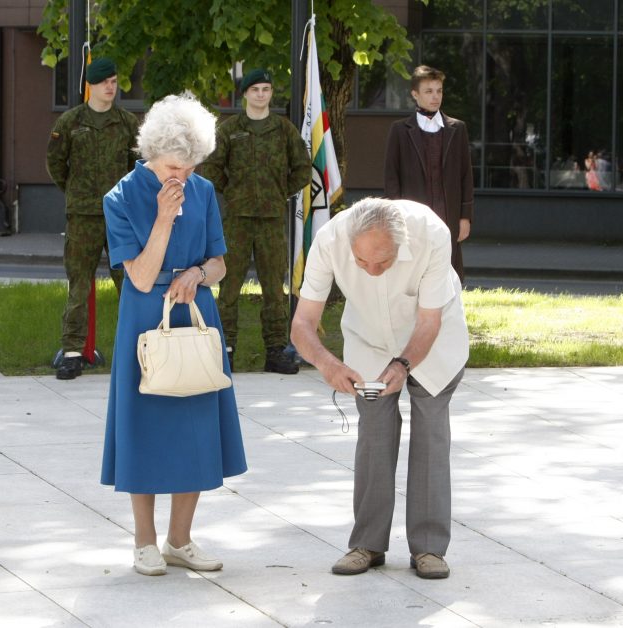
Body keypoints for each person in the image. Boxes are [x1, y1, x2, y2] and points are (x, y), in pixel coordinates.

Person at [100, 93, 247, 576]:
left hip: (196, 312)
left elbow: (220, 262)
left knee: (197, 426)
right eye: (170, 167)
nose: (178, 177)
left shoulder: (202, 190)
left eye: (187, 167)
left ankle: (180, 540)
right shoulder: (120, 197)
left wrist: (200, 275)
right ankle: (144, 542)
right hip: (145, 315)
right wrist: (163, 217)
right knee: (144, 424)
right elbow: (140, 277)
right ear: (150, 153)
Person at [290, 197, 469, 580]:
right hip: (369, 339)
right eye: (361, 263)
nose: (371, 271)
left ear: (400, 245)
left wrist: (403, 364)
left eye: (383, 263)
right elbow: (303, 322)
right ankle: (367, 544)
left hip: (432, 338)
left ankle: (429, 549)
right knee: (373, 435)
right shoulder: (329, 239)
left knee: (431, 436)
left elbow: (429, 320)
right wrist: (328, 363)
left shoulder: (431, 233)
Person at [200, 68, 310, 373]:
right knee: (229, 286)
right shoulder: (229, 129)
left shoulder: (284, 129)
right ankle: (226, 348)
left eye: (266, 89)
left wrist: (278, 192)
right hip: (236, 218)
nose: (261, 94)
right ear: (245, 94)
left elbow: (302, 168)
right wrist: (234, 192)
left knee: (274, 287)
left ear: (271, 93)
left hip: (272, 218)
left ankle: (276, 350)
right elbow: (211, 167)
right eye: (255, 89)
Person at [46, 57, 139, 380]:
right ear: (91, 86)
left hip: (119, 215)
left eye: (114, 82)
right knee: (79, 284)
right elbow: (56, 164)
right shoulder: (70, 122)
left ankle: (138, 350)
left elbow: (136, 167)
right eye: (104, 83)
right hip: (83, 214)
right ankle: (73, 352)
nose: (110, 87)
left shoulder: (127, 123)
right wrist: (76, 191)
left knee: (129, 283)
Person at [384, 65, 474, 282]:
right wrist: (395, 216)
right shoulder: (399, 130)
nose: (435, 97)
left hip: (448, 212)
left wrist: (465, 216)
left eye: (439, 91)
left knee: (448, 270)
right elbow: (391, 177)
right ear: (415, 94)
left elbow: (465, 174)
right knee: (414, 271)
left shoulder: (457, 128)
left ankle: (447, 312)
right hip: (412, 214)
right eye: (429, 91)